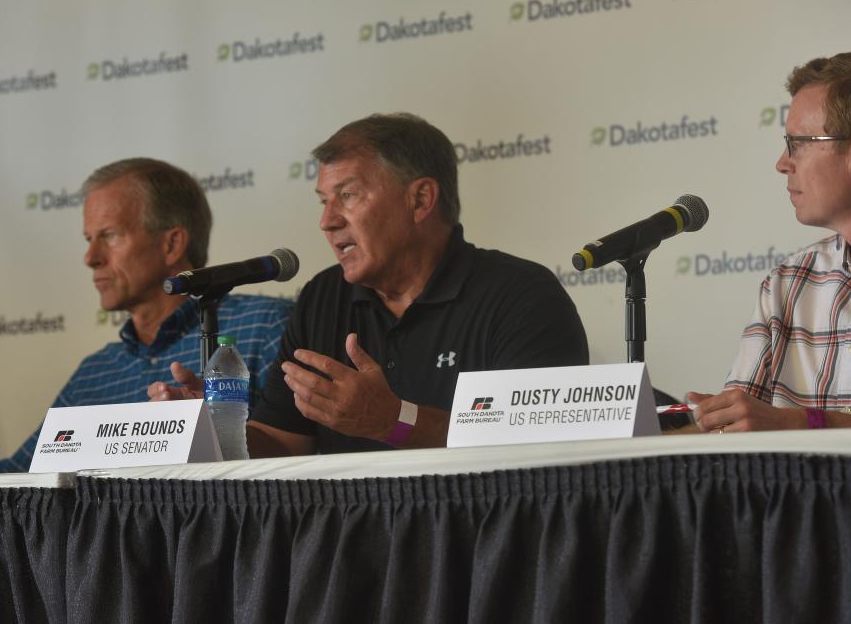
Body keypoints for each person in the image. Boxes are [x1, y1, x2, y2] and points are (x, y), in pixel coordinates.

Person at [158, 113, 589, 455]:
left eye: (347, 196)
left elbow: (535, 445)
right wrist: (217, 430)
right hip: (351, 547)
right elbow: (285, 442)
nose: (326, 221)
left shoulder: (522, 296)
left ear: (420, 199)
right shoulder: (323, 297)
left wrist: (394, 420)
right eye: (324, 201)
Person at [0, 158, 292, 474]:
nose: (90, 257)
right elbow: (13, 484)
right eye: (89, 239)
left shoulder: (265, 327)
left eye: (109, 235)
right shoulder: (93, 375)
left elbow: (308, 458)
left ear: (171, 244)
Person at [690, 51, 851, 433]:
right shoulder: (789, 282)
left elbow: (781, 425)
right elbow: (730, 436)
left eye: (797, 143)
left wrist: (806, 423)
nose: (782, 162)